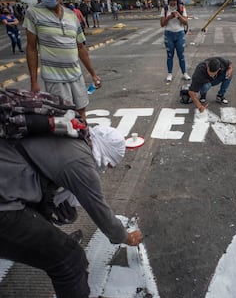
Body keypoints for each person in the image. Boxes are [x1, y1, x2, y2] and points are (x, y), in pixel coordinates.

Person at [0, 124, 143, 298]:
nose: (107, 169)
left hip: (10, 181)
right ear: (106, 152)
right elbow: (100, 211)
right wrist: (125, 237)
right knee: (71, 259)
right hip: (4, 203)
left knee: (50, 220)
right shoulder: (79, 162)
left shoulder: (73, 138)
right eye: (110, 164)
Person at [23, 0, 101, 121]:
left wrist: (93, 74)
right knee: (63, 117)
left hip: (76, 75)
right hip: (55, 79)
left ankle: (84, 138)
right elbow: (31, 48)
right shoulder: (33, 13)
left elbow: (81, 47)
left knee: (81, 111)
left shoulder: (71, 15)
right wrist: (34, 82)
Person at [160, 0, 191, 82]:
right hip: (168, 34)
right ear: (168, 2)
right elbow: (162, 24)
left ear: (177, 2)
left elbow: (185, 22)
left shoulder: (181, 8)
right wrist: (169, 17)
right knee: (170, 55)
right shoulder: (165, 9)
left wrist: (179, 16)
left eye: (174, 4)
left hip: (180, 34)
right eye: (171, 4)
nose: (173, 6)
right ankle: (169, 74)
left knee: (181, 55)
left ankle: (184, 73)